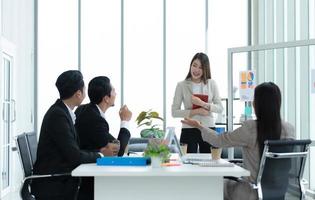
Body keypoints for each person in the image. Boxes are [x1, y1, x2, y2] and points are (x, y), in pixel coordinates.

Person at [181, 82, 295, 200]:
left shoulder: (251, 128)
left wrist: (199, 126)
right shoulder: (289, 129)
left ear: (257, 104)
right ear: (278, 103)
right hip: (279, 192)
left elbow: (219, 140)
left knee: (213, 184)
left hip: (250, 192)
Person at [32, 70, 119, 200]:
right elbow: (75, 156)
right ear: (78, 94)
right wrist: (101, 155)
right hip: (56, 184)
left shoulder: (62, 112)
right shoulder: (58, 116)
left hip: (61, 177)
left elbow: (74, 150)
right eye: (84, 88)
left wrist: (99, 151)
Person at [75, 76, 132, 200]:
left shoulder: (85, 110)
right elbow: (119, 151)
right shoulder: (94, 119)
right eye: (113, 91)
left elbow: (113, 143)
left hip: (86, 171)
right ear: (106, 98)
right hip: (88, 181)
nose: (116, 93)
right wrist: (125, 121)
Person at [171, 52, 223, 153]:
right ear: (190, 65)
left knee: (210, 162)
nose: (196, 70)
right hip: (188, 128)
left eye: (201, 67)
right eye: (194, 65)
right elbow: (174, 112)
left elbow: (220, 108)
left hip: (208, 128)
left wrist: (203, 104)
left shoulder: (211, 84)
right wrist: (197, 111)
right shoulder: (181, 85)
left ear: (205, 69)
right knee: (187, 164)